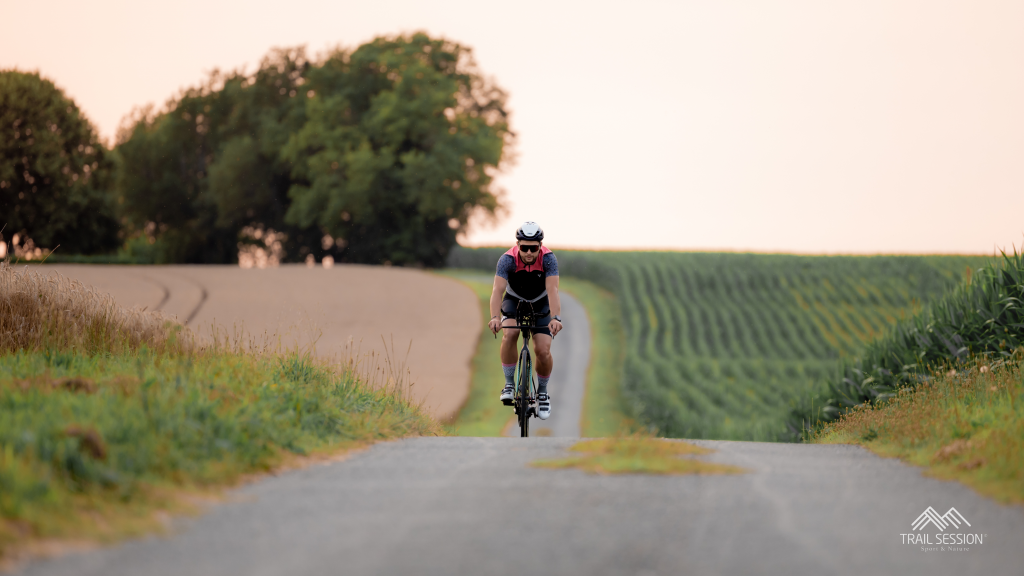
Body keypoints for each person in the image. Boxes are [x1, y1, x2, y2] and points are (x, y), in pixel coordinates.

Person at [487, 221, 562, 420]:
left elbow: (553, 291)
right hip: (514, 300)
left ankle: (543, 393)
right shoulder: (507, 260)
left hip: (540, 302)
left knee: (543, 350)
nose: (529, 252)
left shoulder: (548, 259)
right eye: (524, 247)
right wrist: (495, 317)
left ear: (540, 246)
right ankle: (510, 384)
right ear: (517, 245)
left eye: (533, 248)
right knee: (510, 333)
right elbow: (497, 291)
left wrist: (555, 318)